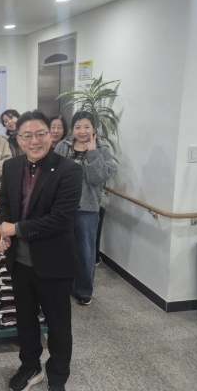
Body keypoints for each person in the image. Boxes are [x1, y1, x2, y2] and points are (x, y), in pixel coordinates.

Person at [0, 110, 83, 391]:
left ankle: (57, 378)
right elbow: (4, 204)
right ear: (18, 139)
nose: (34, 141)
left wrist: (15, 229)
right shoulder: (11, 167)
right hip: (19, 263)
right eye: (27, 136)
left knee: (58, 327)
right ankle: (30, 366)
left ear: (51, 135)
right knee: (25, 321)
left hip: (54, 262)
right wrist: (3, 230)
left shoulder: (69, 170)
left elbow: (61, 219)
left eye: (40, 134)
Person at [55, 111, 116, 305]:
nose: (82, 131)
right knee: (61, 249)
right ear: (73, 128)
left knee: (85, 252)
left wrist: (92, 152)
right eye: (78, 127)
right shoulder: (63, 146)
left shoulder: (102, 148)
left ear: (93, 128)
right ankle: (62, 286)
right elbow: (53, 174)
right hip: (63, 207)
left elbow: (98, 178)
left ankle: (83, 291)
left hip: (87, 209)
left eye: (87, 127)